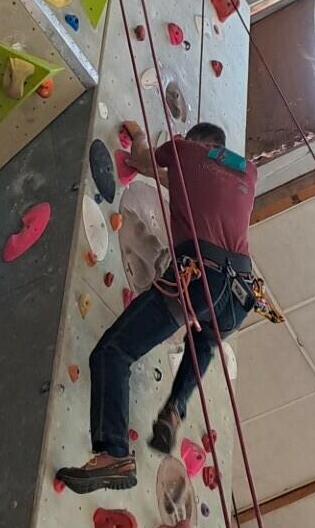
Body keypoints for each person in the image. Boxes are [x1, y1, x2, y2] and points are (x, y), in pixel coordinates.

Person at [56, 120, 263, 495]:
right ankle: (175, 408)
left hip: (199, 275)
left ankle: (114, 453)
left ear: (193, 141)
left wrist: (137, 136)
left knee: (113, 352)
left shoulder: (184, 151)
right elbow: (179, 184)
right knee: (204, 340)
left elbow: (141, 159)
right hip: (241, 293)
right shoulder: (246, 175)